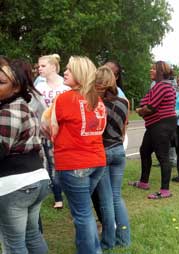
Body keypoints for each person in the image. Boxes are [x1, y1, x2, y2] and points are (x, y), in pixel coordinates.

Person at [47, 56, 107, 254]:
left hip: (74, 164)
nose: (65, 72)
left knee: (82, 214)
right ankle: (92, 247)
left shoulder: (65, 99)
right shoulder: (97, 100)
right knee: (84, 212)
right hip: (97, 161)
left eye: (69, 70)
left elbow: (49, 128)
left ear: (79, 75)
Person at [0, 60, 50, 254]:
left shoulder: (7, 112)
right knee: (32, 235)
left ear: (17, 87)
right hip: (36, 180)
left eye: (1, 82)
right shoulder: (24, 106)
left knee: (13, 245)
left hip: (14, 186)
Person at [94, 66, 131, 249]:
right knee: (117, 197)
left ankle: (108, 241)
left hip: (103, 151)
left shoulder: (97, 104)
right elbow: (124, 128)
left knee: (106, 200)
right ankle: (124, 239)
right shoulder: (124, 102)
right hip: (118, 150)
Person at [130, 61, 177, 199]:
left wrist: (141, 110)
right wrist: (143, 108)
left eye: (153, 69)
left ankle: (165, 190)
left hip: (162, 125)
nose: (150, 71)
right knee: (144, 151)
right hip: (154, 125)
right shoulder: (157, 87)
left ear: (160, 72)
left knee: (163, 156)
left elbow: (151, 107)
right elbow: (144, 102)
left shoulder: (163, 86)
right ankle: (143, 182)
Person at [35, 54, 70, 209]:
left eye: (43, 66)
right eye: (38, 66)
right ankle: (58, 197)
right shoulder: (39, 87)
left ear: (53, 67)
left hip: (66, 133)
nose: (39, 69)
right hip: (46, 133)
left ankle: (70, 192)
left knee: (65, 164)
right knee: (50, 165)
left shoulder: (66, 85)